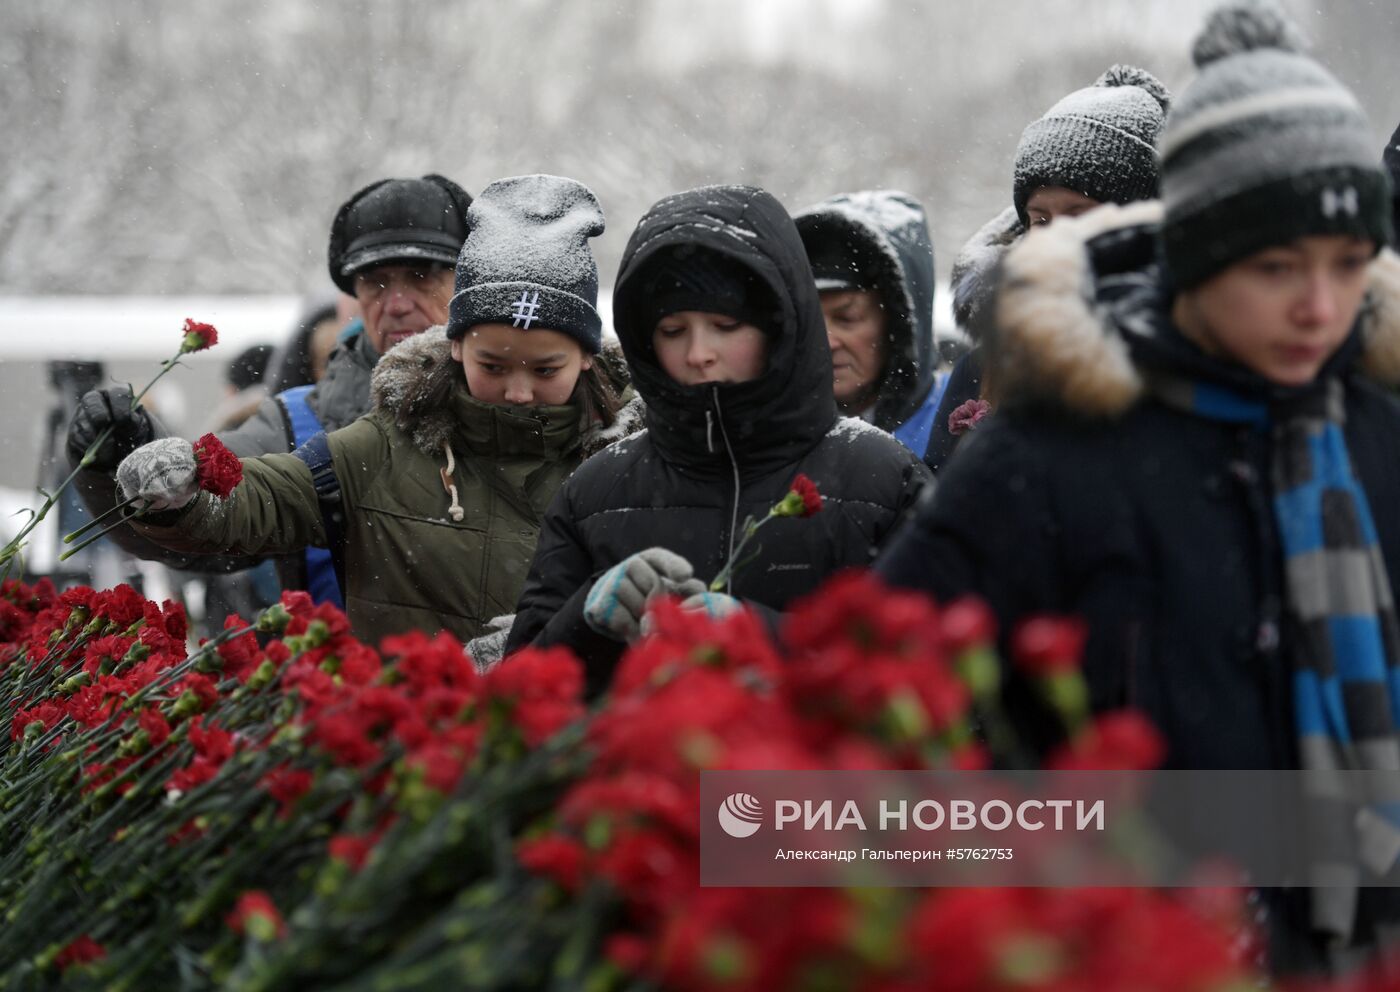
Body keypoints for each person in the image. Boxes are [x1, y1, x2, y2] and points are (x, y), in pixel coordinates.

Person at [878, 0, 1397, 972]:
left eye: (1345, 264)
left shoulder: (1377, 436)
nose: (1317, 305)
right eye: (1275, 265)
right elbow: (884, 674)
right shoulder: (1047, 445)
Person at [112, 175, 639, 645]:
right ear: (456, 344)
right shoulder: (387, 439)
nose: (519, 391)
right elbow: (265, 497)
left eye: (545, 370)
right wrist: (183, 490)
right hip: (397, 742)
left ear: (588, 357)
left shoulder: (631, 459)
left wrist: (544, 644)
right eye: (494, 366)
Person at [505, 184, 930, 694]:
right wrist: (587, 624)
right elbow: (518, 704)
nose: (698, 352)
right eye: (672, 329)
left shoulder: (884, 479)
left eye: (725, 324)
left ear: (779, 324)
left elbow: (938, 683)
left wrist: (770, 641)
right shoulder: (595, 491)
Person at [66, 174, 473, 605]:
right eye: (375, 281)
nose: (395, 303)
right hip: (334, 672)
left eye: (421, 275)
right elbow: (197, 529)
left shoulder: (525, 404)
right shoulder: (298, 423)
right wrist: (126, 462)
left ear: (469, 282)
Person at [924, 64, 1170, 473]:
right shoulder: (985, 369)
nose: (1054, 239)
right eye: (1040, 220)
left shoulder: (1189, 363)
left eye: (1080, 216)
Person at [794, 190, 942, 455]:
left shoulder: (963, 431)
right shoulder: (766, 443)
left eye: (847, 318)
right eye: (811, 319)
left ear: (900, 325)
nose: (826, 341)